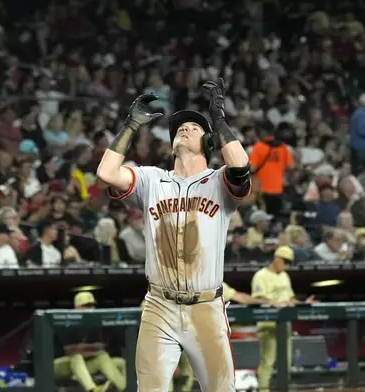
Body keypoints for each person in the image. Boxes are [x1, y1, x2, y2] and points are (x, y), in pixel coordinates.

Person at [96, 78, 252, 391]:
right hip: (159, 306)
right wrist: (130, 125)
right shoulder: (151, 179)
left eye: (194, 127)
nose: (185, 128)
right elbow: (106, 173)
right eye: (180, 128)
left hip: (206, 307)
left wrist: (218, 120)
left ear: (208, 143)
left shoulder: (219, 181)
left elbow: (240, 166)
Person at [169, 282, 274, 392]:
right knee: (172, 373)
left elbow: (240, 297)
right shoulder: (185, 280)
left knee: (186, 374)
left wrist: (268, 301)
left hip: (186, 332)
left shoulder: (210, 281)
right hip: (178, 331)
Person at [251, 246, 315, 391]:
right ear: (276, 258)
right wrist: (275, 303)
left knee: (286, 361)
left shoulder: (285, 276)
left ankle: (283, 388)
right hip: (268, 323)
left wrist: (303, 303)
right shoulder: (261, 275)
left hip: (284, 323)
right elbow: (258, 298)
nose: (287, 265)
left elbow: (290, 298)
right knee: (268, 360)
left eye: (289, 262)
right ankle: (263, 389)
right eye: (285, 261)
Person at [54, 292, 126, 392]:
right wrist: (91, 349)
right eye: (86, 306)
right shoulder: (67, 322)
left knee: (116, 361)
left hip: (79, 368)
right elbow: (70, 351)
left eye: (92, 305)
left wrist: (85, 349)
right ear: (76, 307)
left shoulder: (92, 325)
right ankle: (92, 389)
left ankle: (123, 387)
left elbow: (100, 348)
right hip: (57, 366)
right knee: (76, 357)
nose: (90, 308)